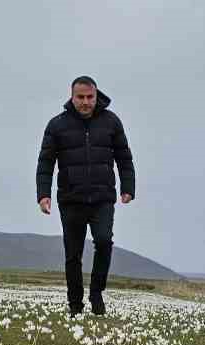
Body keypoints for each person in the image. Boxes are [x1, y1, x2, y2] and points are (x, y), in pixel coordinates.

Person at [36, 75, 134, 316]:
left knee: (103, 241)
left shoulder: (112, 122)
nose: (86, 102)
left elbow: (124, 157)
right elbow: (45, 163)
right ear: (72, 96)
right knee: (73, 254)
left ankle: (96, 293)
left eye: (90, 97)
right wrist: (43, 195)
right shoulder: (56, 125)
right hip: (71, 199)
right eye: (80, 97)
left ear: (96, 95)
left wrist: (128, 187)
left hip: (102, 198)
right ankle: (75, 306)